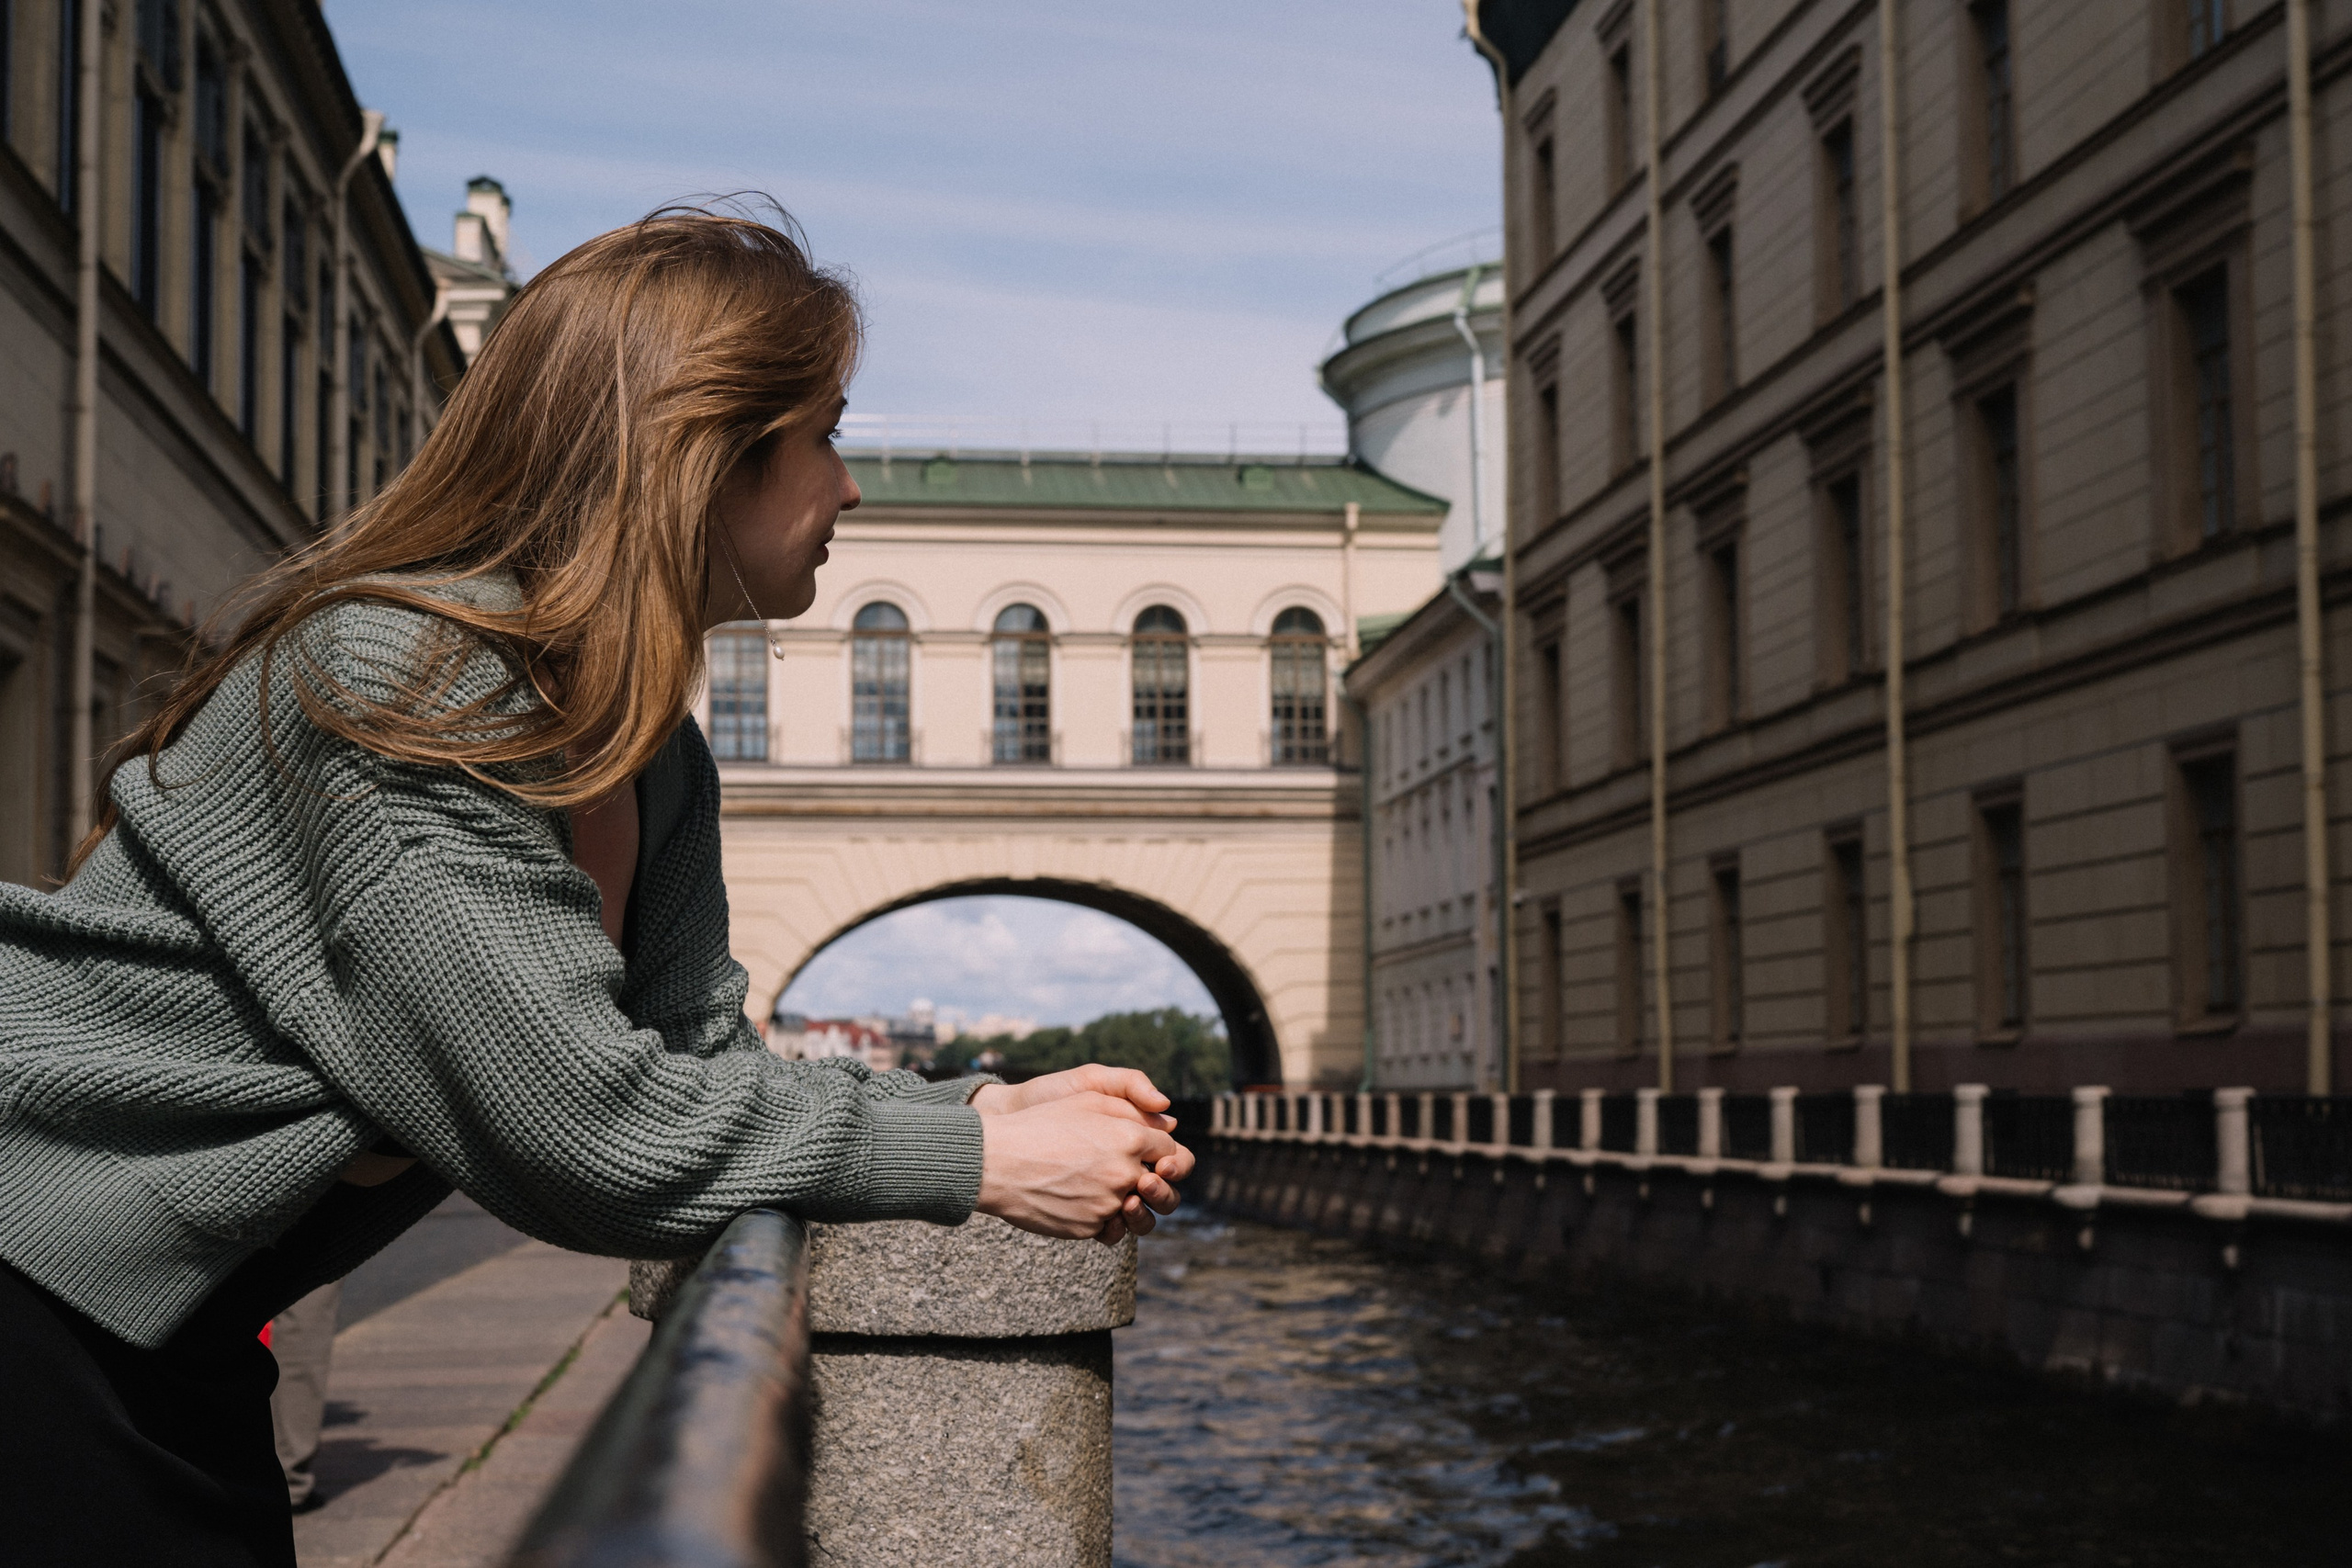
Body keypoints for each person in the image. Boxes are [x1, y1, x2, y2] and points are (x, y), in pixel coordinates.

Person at [0, 204, 1192, 1568]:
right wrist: (984, 1161)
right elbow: (582, 1126)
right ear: (703, 454)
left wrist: (973, 1100)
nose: (849, 491)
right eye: (827, 435)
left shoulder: (649, 752)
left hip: (176, 1313)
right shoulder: (402, 685)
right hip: (35, 1273)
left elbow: (689, 1058)